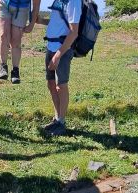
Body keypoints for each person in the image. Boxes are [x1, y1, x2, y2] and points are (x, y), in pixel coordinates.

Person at [36, 0, 81, 136]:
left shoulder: (74, 2)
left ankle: (61, 122)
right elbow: (58, 22)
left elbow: (74, 32)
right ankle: (57, 118)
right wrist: (40, 20)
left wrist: (58, 56)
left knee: (61, 85)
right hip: (51, 47)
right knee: (51, 84)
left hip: (62, 50)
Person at [0, 0, 40, 84]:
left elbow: (36, 5)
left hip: (22, 7)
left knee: (16, 41)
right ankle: (3, 66)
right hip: (3, 4)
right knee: (3, 35)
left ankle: (15, 71)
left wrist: (31, 24)